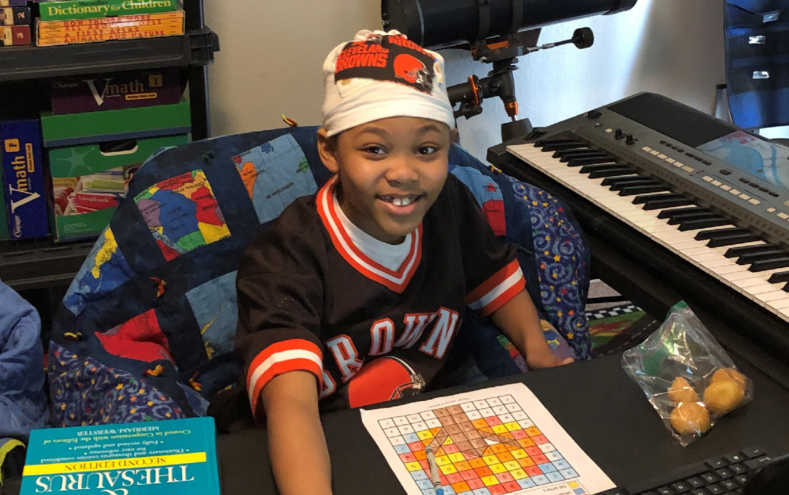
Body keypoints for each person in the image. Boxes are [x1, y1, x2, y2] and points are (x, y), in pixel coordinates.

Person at [235, 29, 574, 495]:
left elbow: (494, 278)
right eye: (374, 149)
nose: (404, 173)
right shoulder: (286, 254)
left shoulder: (449, 204)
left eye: (426, 149)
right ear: (330, 151)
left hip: (423, 428)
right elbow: (292, 405)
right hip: (320, 440)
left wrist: (538, 352)